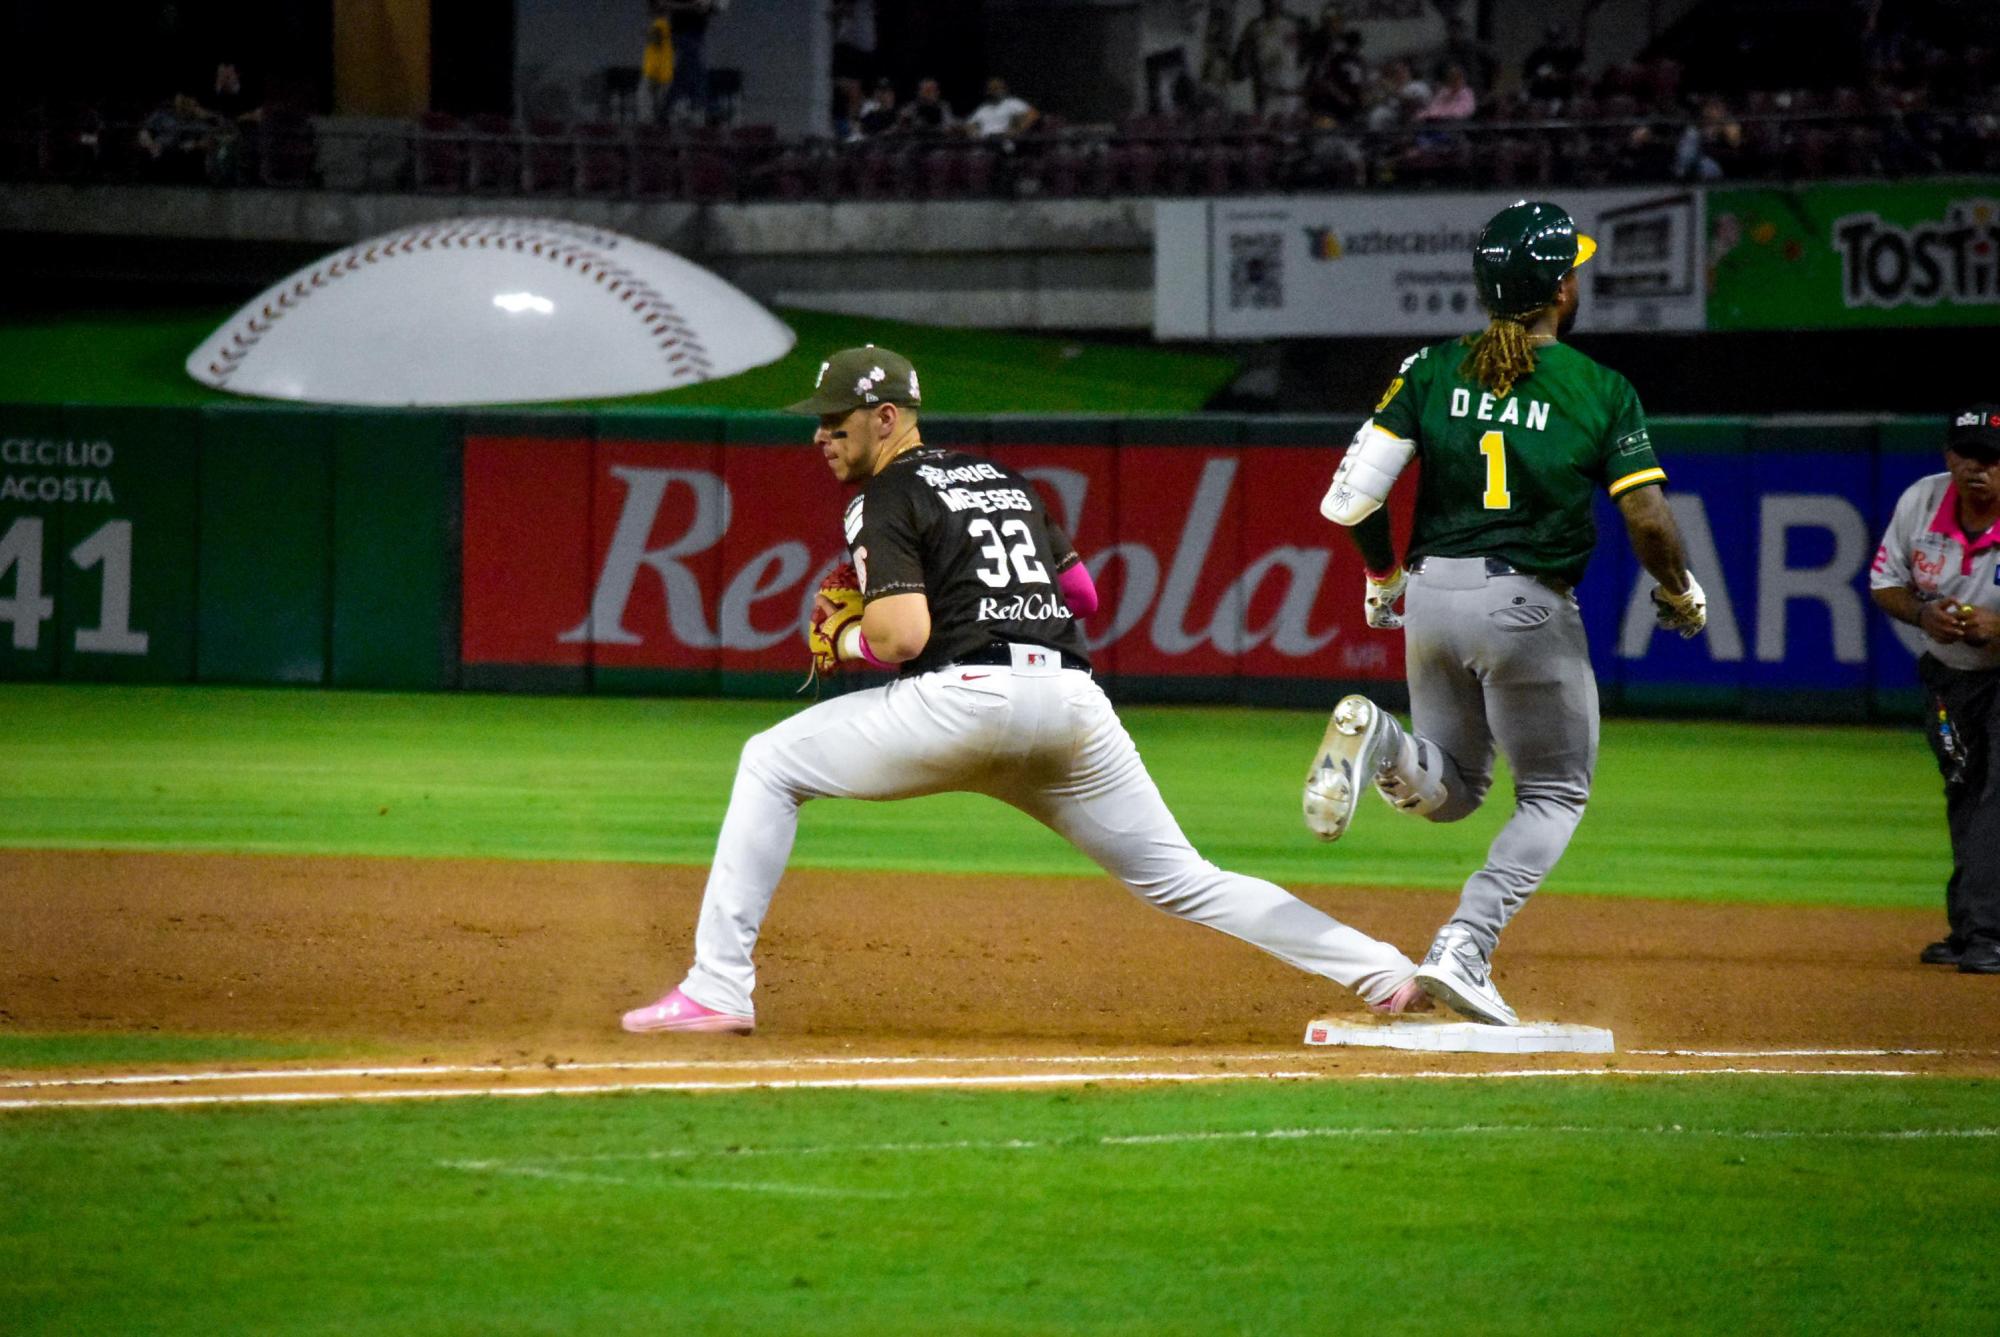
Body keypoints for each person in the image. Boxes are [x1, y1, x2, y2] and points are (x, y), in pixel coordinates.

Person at [622, 346, 1432, 1034]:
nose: (820, 436)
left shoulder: (885, 494)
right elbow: (1082, 596)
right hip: (1071, 705)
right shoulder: (1002, 479)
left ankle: (718, 985)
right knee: (1189, 879)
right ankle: (1385, 971)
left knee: (770, 762)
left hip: (965, 701)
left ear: (886, 417)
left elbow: (900, 637)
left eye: (836, 422)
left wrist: (842, 637)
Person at [1304, 200, 1708, 1026]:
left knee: (1451, 791)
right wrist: (1677, 588)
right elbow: (1647, 517)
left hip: (1432, 597)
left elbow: (1350, 499)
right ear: (1559, 289)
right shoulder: (1599, 388)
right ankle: (1465, 943)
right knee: (1555, 793)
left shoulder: (1430, 368)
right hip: (1526, 605)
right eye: (1574, 270)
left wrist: (1383, 575)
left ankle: (1380, 740)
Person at [1869, 405, 2000, 975]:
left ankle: (1990, 933)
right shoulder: (1921, 501)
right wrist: (1924, 615)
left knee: (1997, 797)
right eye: (1967, 454)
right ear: (1949, 455)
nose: (1978, 468)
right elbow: (1884, 583)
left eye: (1992, 459)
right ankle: (1970, 927)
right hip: (1948, 677)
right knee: (1964, 791)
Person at [1232, 0, 1308, 116]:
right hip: (1267, 92)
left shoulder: (1292, 25)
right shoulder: (1255, 27)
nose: (1273, 3)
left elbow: (1303, 58)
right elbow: (1244, 60)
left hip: (1290, 92)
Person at [965, 77, 1039, 138]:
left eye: (999, 88)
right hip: (985, 140)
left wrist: (1018, 130)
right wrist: (973, 133)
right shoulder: (983, 108)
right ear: (988, 91)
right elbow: (968, 124)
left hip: (1004, 139)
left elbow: (1034, 114)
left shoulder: (1012, 103)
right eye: (993, 89)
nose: (997, 91)